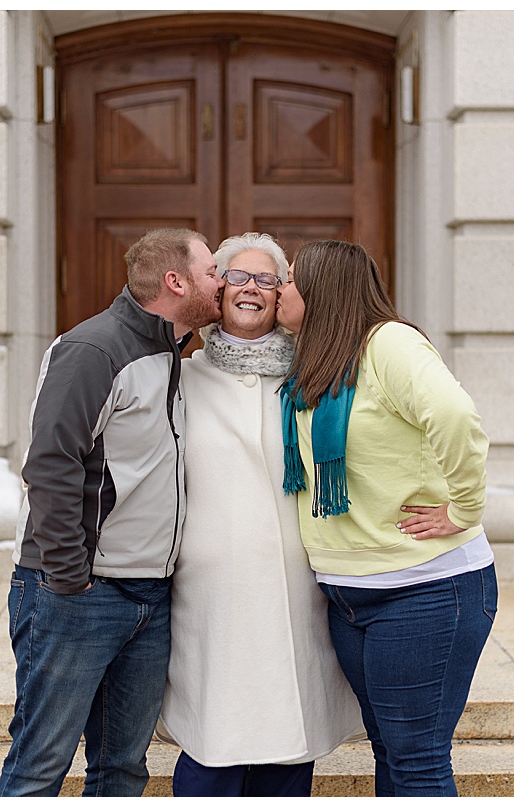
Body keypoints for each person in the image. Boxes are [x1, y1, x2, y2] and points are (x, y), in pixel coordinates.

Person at [0, 228, 225, 797]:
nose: (222, 283)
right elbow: (49, 466)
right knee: (39, 765)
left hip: (150, 598)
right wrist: (70, 579)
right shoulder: (93, 349)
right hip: (82, 595)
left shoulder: (174, 352)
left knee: (122, 770)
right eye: (212, 271)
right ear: (176, 281)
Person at [274, 239, 496, 797]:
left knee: (416, 758)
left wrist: (463, 509)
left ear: (322, 290)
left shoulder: (388, 344)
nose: (279, 287)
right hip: (347, 595)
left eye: (291, 278)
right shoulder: (316, 358)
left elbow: (454, 415)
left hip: (424, 589)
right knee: (390, 750)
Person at [157, 233, 363, 797]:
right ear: (218, 292)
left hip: (298, 588)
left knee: (287, 737)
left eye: (268, 279)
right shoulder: (180, 379)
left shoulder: (316, 380)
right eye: (239, 277)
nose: (252, 288)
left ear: (283, 296)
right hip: (210, 593)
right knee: (212, 741)